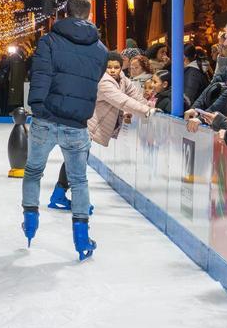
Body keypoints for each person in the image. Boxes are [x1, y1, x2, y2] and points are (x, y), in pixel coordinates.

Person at [19, 0, 108, 260]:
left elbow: (40, 76)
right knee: (79, 180)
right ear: (89, 15)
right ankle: (81, 239)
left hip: (46, 120)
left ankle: (30, 222)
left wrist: (39, 108)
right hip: (77, 124)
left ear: (66, 12)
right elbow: (92, 81)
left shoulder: (49, 41)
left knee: (34, 171)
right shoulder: (101, 50)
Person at [50, 51, 153, 210]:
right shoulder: (104, 82)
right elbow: (122, 101)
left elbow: (134, 94)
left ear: (121, 68)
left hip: (86, 126)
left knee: (77, 161)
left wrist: (149, 106)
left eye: (116, 67)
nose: (112, 70)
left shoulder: (122, 79)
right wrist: (145, 111)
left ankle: (60, 194)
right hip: (82, 124)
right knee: (77, 162)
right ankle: (68, 198)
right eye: (109, 67)